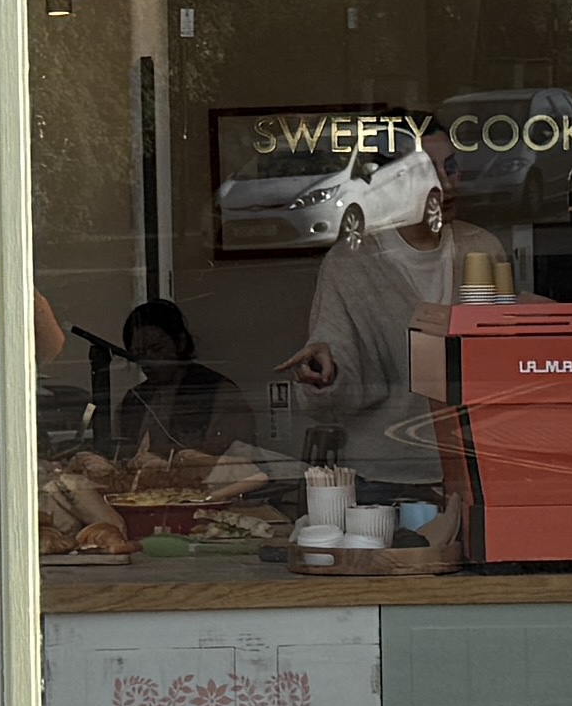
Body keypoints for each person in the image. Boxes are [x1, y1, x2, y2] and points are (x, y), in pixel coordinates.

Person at [284, 135, 456, 490]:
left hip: (478, 464)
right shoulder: (351, 263)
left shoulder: (482, 247)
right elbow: (339, 368)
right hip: (386, 473)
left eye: (451, 167)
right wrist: (324, 374)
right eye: (427, 171)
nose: (445, 183)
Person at [101, 298, 251, 457]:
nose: (148, 361)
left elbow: (240, 460)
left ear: (180, 342)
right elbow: (121, 455)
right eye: (139, 354)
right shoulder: (134, 399)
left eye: (156, 349)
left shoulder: (218, 392)